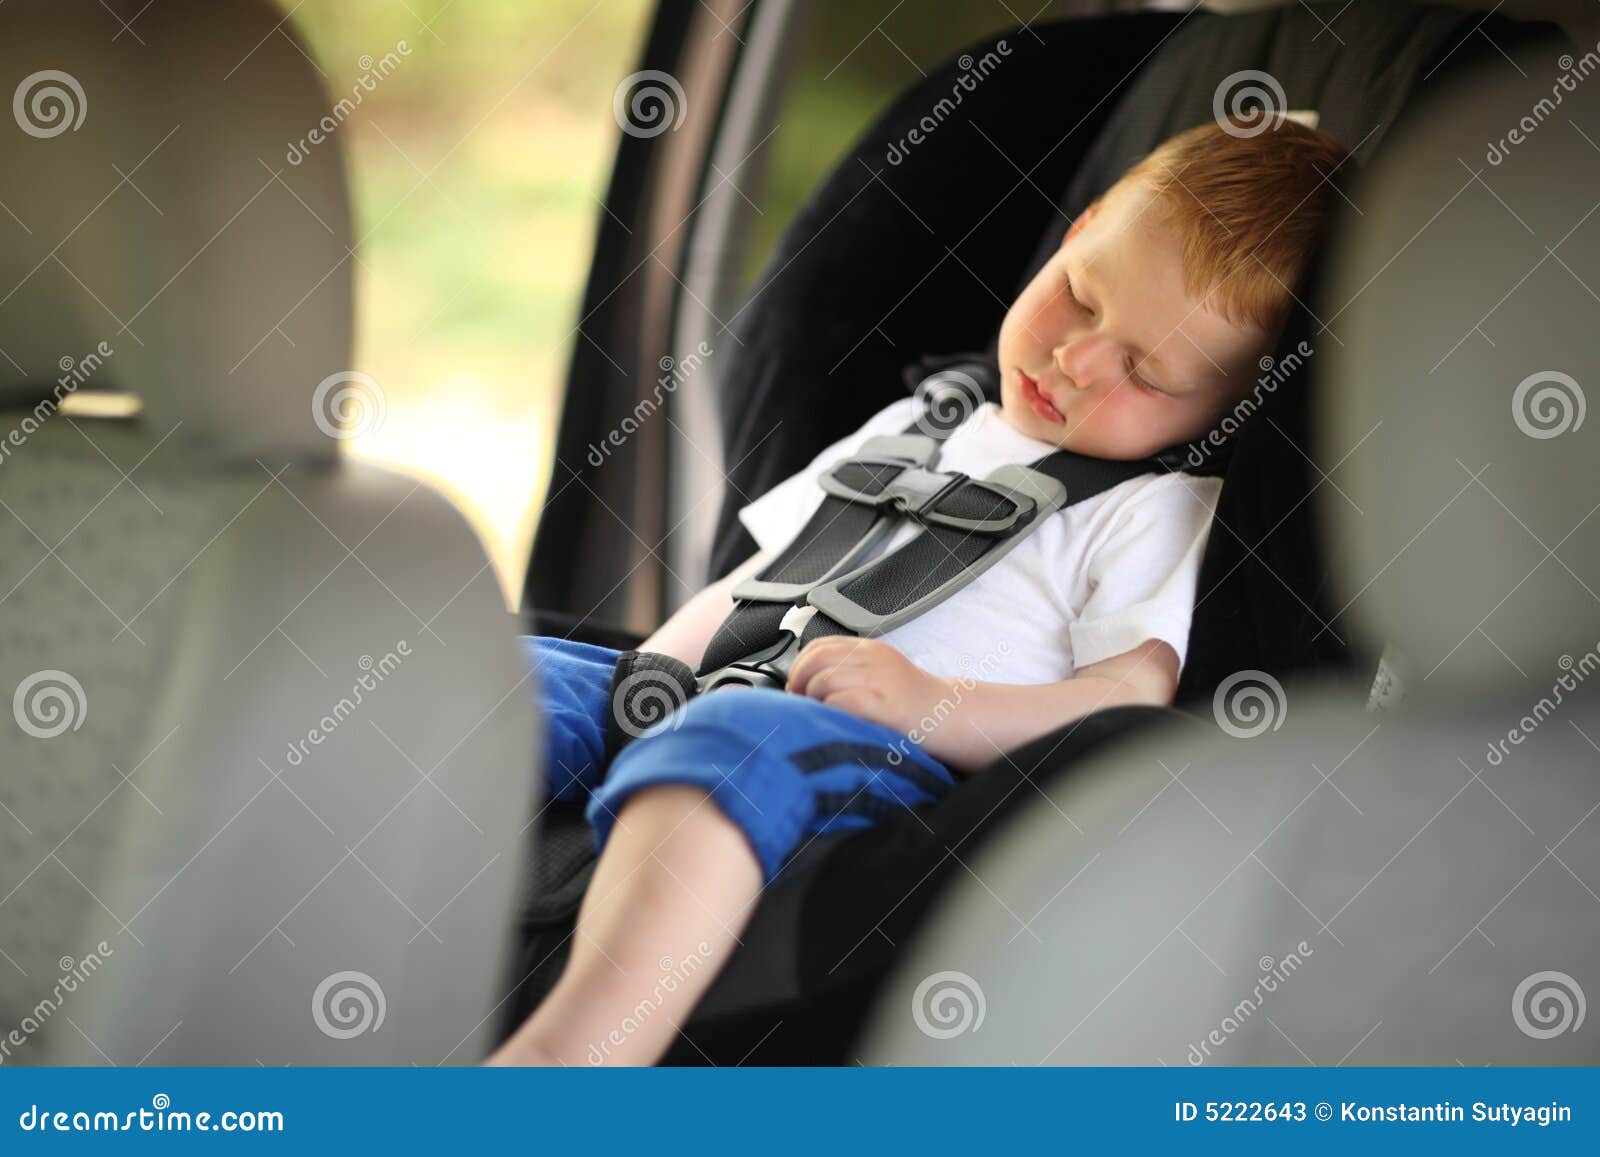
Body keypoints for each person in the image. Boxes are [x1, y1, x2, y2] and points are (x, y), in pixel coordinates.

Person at [488, 116, 1349, 1066]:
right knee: (497, 670)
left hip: (890, 765)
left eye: (1145, 371)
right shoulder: (917, 422)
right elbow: (752, 585)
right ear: (1080, 227)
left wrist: (928, 703)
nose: (1079, 359)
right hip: (731, 689)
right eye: (1083, 297)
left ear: (1224, 407)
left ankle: (569, 1061)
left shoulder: (1151, 512)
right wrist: (645, 683)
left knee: (729, 746)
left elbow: (1124, 702)